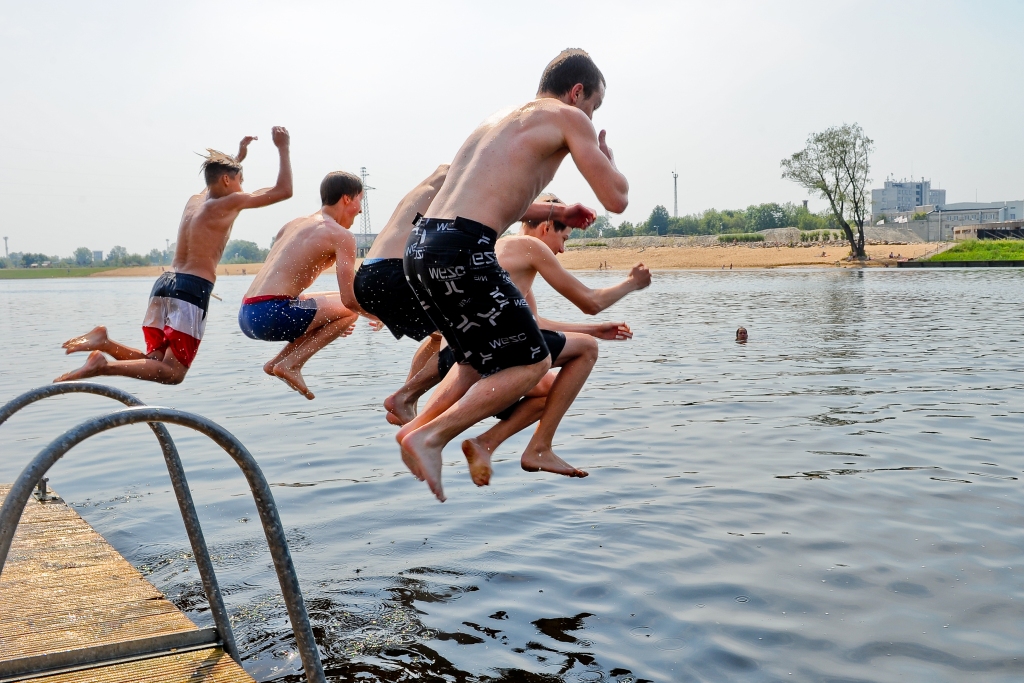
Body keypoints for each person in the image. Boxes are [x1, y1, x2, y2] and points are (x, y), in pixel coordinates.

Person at [398, 48, 630, 501]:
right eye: (593, 106)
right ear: (577, 90)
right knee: (535, 361)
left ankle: (420, 430)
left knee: (472, 361)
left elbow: (484, 191)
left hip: (422, 248)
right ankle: (428, 437)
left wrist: (554, 210)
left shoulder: (497, 120)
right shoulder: (568, 115)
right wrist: (608, 158)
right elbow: (616, 199)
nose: (590, 115)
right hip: (464, 248)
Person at [354, 165, 596, 426]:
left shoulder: (452, 183)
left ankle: (408, 399)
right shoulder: (465, 185)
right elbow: (511, 208)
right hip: (397, 272)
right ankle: (416, 410)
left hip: (374, 274)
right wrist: (556, 210)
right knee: (470, 338)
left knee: (445, 333)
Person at [56, 128, 293, 384]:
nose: (242, 187)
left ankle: (105, 343)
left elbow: (216, 180)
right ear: (227, 180)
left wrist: (239, 157)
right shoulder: (229, 202)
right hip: (190, 289)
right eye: (240, 180)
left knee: (156, 362)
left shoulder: (194, 201)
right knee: (174, 374)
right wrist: (283, 146)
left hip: (164, 284)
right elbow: (284, 190)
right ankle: (102, 367)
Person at [450, 193, 648, 485]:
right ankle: (539, 447)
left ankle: (486, 444)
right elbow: (590, 301)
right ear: (545, 228)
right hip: (488, 354)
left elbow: (535, 323)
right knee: (586, 352)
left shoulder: (499, 249)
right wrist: (631, 284)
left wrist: (594, 329)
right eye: (564, 239)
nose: (563, 250)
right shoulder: (529, 248)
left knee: (555, 392)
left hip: (469, 349)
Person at [238, 171, 371, 399]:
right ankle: (291, 364)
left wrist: (329, 321)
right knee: (350, 311)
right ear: (347, 198)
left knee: (338, 306)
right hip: (271, 313)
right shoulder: (340, 235)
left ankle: (278, 363)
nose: (360, 209)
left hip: (247, 314)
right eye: (360, 201)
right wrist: (379, 317)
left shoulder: (293, 224)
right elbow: (350, 300)